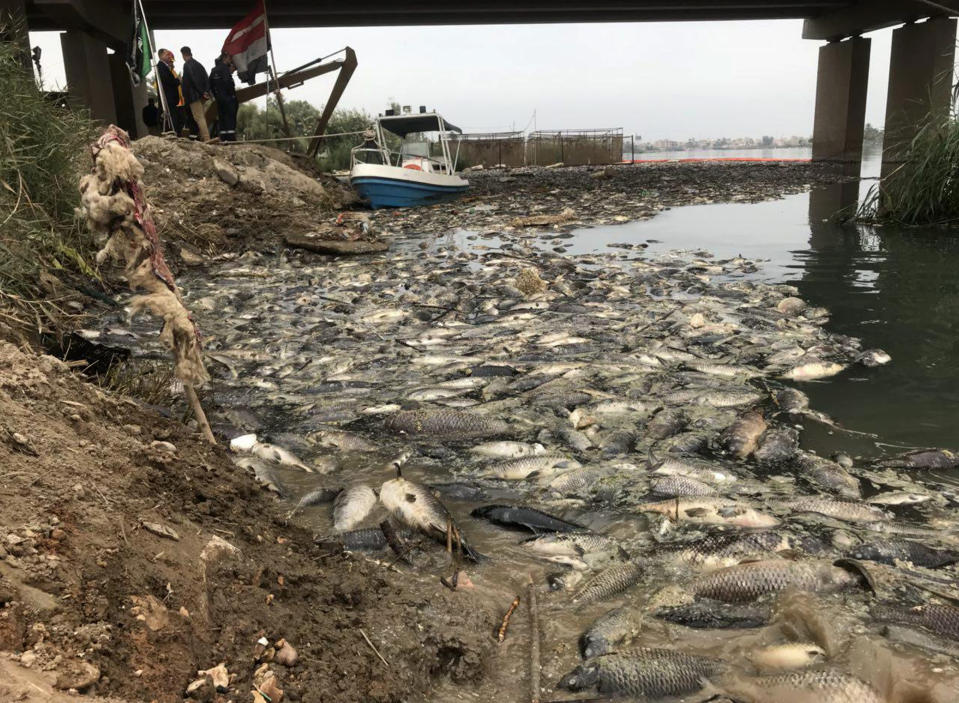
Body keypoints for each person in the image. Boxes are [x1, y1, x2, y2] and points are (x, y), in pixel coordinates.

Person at [180, 46, 211, 142]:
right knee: (201, 116)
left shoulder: (187, 65)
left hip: (194, 96)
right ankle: (203, 137)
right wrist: (206, 91)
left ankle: (206, 138)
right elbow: (206, 78)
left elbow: (194, 80)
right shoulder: (199, 64)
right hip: (201, 95)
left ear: (183, 54)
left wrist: (201, 92)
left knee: (199, 118)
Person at [210, 52, 238, 142]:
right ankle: (230, 138)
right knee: (230, 118)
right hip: (228, 98)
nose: (230, 60)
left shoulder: (214, 70)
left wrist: (216, 95)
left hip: (219, 99)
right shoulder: (225, 69)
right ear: (224, 58)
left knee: (222, 118)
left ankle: (223, 137)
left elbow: (210, 84)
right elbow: (227, 83)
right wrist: (232, 96)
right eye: (229, 58)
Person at [155, 48, 184, 136]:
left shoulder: (166, 67)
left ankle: (176, 135)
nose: (169, 57)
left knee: (176, 120)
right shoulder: (160, 66)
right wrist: (178, 80)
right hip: (168, 100)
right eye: (167, 54)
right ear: (161, 56)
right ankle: (173, 137)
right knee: (172, 120)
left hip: (172, 100)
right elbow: (167, 81)